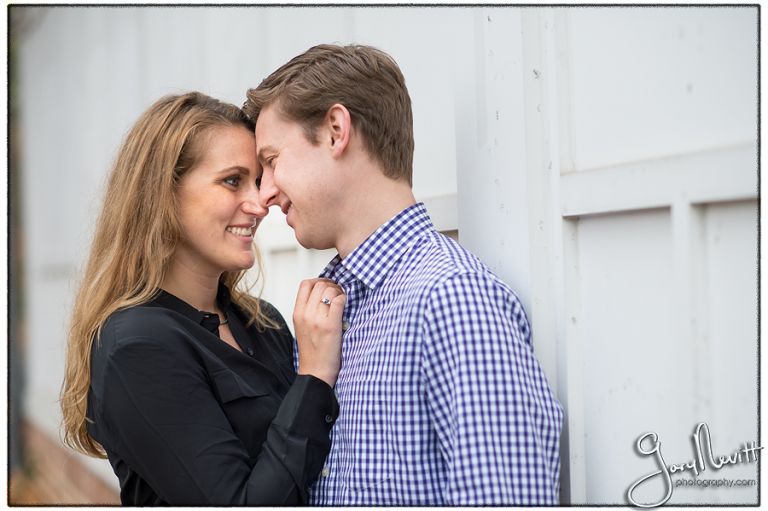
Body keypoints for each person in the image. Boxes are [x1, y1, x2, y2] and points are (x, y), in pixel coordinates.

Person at [243, 44, 564, 505]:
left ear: (335, 131)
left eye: (272, 161)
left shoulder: (452, 300)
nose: (265, 193)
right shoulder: (335, 311)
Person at [59, 92, 346, 505]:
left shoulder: (262, 322)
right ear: (163, 193)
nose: (259, 204)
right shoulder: (137, 345)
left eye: (257, 181)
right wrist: (315, 378)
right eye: (232, 181)